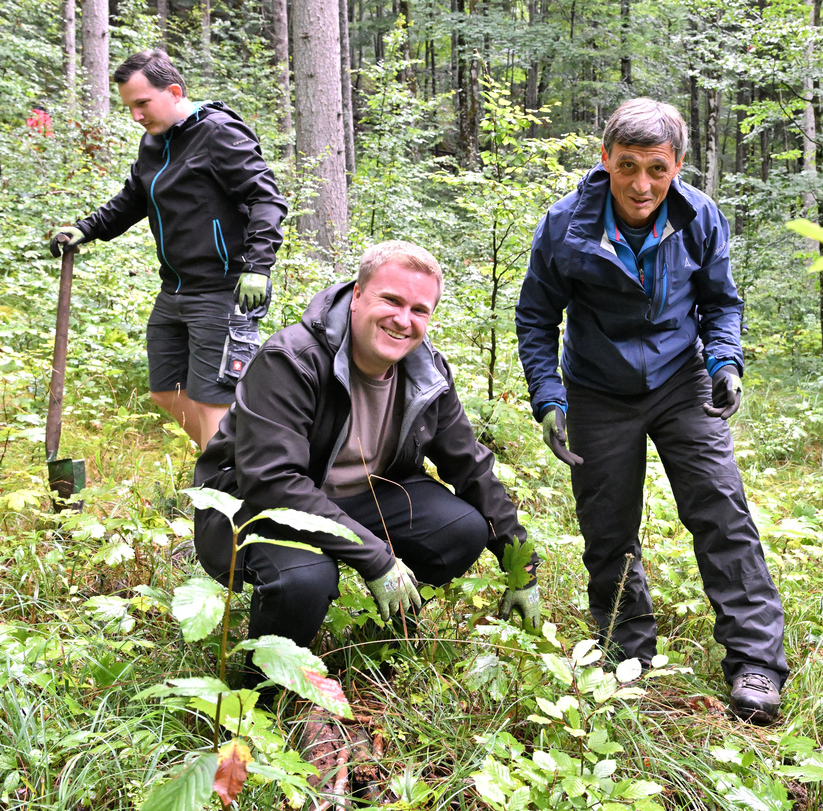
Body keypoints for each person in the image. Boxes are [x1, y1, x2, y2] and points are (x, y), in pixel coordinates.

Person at [515, 98, 787, 724]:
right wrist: (548, 398)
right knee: (607, 526)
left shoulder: (700, 217)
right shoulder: (565, 226)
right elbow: (536, 316)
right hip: (596, 388)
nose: (642, 184)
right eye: (628, 165)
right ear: (605, 159)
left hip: (681, 380)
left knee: (721, 509)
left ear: (678, 166)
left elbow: (721, 302)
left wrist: (725, 363)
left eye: (657, 169)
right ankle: (625, 651)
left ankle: (755, 665)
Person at [192, 241, 540, 682]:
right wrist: (375, 558)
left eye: (419, 309)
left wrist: (520, 566)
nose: (403, 320)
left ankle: (377, 641)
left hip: (361, 497)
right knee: (306, 580)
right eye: (391, 300)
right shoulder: (291, 360)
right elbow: (272, 481)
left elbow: (470, 466)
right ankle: (261, 692)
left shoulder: (427, 370)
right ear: (357, 295)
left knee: (462, 530)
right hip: (254, 508)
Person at [48, 49, 287, 452]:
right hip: (174, 291)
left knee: (214, 402)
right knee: (166, 392)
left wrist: (258, 266)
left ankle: (221, 494)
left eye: (142, 103)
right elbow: (133, 199)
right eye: (129, 107)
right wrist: (85, 229)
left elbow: (267, 199)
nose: (136, 116)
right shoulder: (153, 142)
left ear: (174, 92)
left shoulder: (218, 133)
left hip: (223, 291)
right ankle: (234, 464)